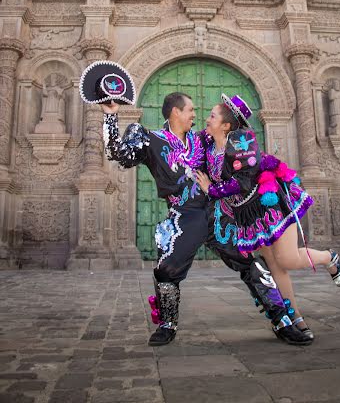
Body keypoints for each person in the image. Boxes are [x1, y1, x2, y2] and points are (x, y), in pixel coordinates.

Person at [102, 92, 312, 347]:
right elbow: (118, 154)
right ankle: (168, 324)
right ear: (176, 112)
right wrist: (111, 116)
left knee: (249, 263)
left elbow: (236, 151)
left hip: (217, 214)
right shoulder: (151, 140)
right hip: (184, 218)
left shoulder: (201, 139)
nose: (195, 114)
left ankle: (282, 321)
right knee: (166, 269)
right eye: (190, 109)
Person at [196, 95, 340, 339]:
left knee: (286, 259)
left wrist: (210, 190)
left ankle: (330, 258)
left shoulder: (243, 142)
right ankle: (294, 317)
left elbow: (241, 181)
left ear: (226, 125)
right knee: (274, 267)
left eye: (212, 116)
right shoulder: (209, 143)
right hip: (247, 215)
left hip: (270, 204)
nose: (206, 119)